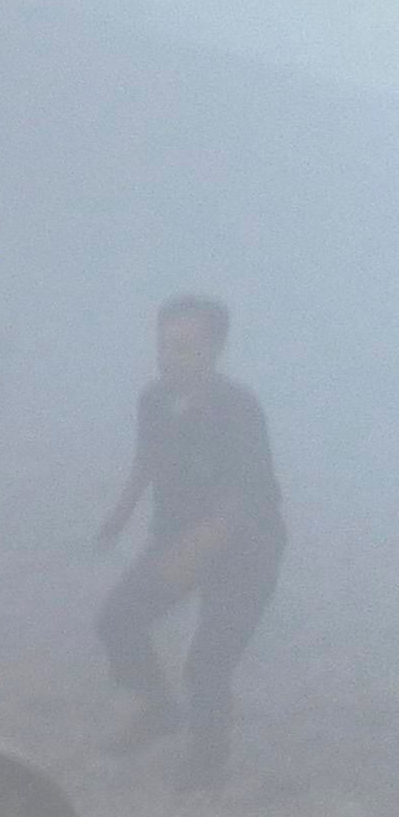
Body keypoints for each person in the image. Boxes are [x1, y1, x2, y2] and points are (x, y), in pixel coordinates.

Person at [96, 292, 285, 790]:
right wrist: (118, 516)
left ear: (216, 349)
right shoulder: (153, 399)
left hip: (248, 552)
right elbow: (147, 460)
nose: (170, 358)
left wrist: (189, 557)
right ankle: (157, 706)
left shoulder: (239, 409)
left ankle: (204, 770)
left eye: (185, 348)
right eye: (165, 345)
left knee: (206, 665)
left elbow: (242, 503)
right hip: (179, 536)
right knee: (117, 620)